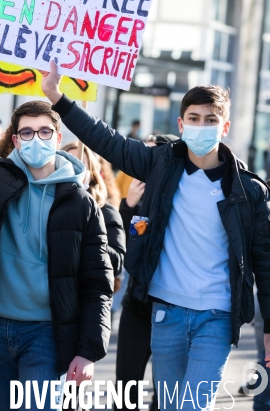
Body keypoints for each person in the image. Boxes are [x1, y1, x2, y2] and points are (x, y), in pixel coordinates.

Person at [41, 60, 270, 411]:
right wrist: (57, 97)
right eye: (194, 119)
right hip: (166, 313)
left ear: (224, 127)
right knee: (169, 406)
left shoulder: (248, 190)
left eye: (211, 120)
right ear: (181, 124)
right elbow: (106, 140)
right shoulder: (159, 162)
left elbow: (264, 262)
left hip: (217, 317)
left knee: (191, 406)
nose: (201, 126)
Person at [0, 43, 113, 411]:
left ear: (57, 137)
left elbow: (98, 282)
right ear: (15, 139)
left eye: (45, 132)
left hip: (46, 333)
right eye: (27, 132)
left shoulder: (80, 203)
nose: (36, 139)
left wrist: (88, 351)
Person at [116, 134, 179, 411]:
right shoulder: (137, 200)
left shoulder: (183, 199)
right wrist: (130, 207)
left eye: (152, 158)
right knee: (126, 388)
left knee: (166, 394)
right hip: (138, 306)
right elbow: (132, 249)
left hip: (175, 310)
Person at [61, 142, 126, 277]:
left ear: (92, 174)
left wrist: (88, 236)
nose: (75, 171)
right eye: (67, 165)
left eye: (81, 165)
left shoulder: (106, 212)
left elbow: (117, 262)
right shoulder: (48, 206)